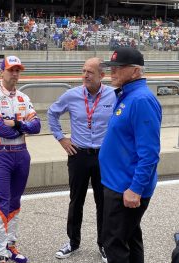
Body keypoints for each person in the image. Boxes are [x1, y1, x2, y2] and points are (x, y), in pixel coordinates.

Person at [47, 57, 116, 262]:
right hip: (78, 155)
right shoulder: (72, 95)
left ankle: (104, 245)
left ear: (102, 76)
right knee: (76, 200)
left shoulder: (114, 95)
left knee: (103, 202)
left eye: (90, 72)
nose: (85, 75)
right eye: (83, 71)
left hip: (104, 157)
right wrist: (62, 139)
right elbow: (52, 113)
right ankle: (73, 242)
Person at [99, 47, 162, 263]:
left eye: (118, 67)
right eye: (111, 67)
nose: (112, 72)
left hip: (125, 187)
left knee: (114, 243)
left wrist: (135, 188)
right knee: (131, 237)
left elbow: (150, 153)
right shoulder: (127, 94)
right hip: (117, 182)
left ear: (135, 71)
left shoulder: (140, 100)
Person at [0, 55, 41, 263]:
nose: (15, 74)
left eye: (18, 70)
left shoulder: (23, 97)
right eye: (11, 70)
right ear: (1, 72)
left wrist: (14, 124)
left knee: (15, 201)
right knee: (2, 202)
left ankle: (11, 245)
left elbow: (37, 126)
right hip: (0, 154)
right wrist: (22, 125)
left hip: (21, 154)